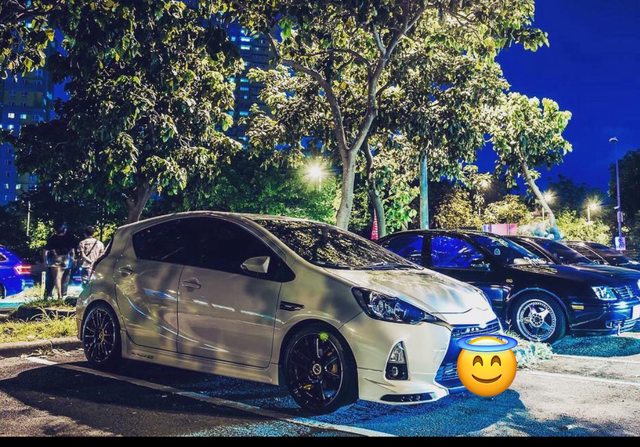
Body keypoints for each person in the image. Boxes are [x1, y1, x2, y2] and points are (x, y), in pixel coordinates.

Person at [43, 223, 78, 300]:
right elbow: (72, 250)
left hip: (55, 259)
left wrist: (45, 261)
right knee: (65, 278)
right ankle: (63, 294)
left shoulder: (52, 238)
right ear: (64, 230)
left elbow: (45, 251)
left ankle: (58, 295)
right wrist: (73, 259)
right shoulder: (69, 238)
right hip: (66, 259)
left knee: (56, 278)